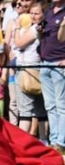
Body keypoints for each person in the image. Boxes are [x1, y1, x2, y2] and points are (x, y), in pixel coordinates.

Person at [15, 4, 47, 140]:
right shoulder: (41, 27)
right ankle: (44, 140)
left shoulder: (36, 28)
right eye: (31, 13)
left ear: (43, 14)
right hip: (37, 67)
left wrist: (16, 27)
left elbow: (19, 43)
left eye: (36, 13)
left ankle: (21, 142)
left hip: (29, 69)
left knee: (26, 109)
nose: (33, 16)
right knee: (40, 109)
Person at [39, 0, 65, 152]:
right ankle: (54, 140)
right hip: (45, 63)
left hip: (60, 64)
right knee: (50, 106)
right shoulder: (48, 11)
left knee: (62, 105)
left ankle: (62, 142)